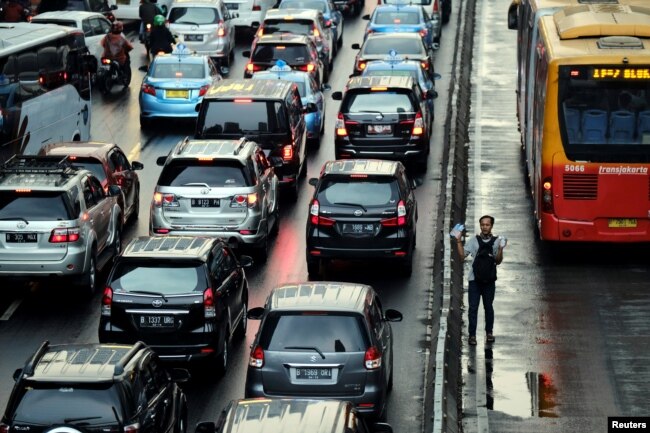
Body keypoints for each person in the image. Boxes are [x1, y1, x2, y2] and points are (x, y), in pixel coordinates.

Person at [454, 215, 505, 346]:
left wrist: (500, 249)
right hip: (474, 281)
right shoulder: (473, 241)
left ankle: (489, 333)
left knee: (489, 307)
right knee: (473, 308)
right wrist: (458, 241)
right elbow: (461, 257)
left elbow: (498, 261)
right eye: (482, 224)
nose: (484, 227)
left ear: (491, 226)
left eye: (487, 225)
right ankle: (472, 335)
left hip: (489, 281)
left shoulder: (497, 241)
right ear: (480, 225)